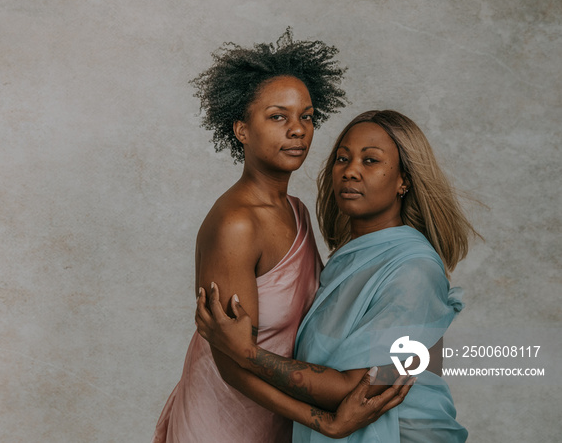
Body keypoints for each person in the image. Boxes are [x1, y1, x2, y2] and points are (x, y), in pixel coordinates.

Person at [153, 32, 414, 443]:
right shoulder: (236, 224)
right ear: (241, 129)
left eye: (306, 117)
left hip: (279, 415)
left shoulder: (297, 211)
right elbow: (229, 362)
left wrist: (404, 338)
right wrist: (323, 421)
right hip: (223, 418)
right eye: (278, 117)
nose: (297, 130)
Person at [196, 110, 477, 442]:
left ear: (404, 180)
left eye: (370, 160)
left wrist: (246, 352)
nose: (350, 171)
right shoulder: (350, 255)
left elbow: (358, 389)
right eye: (342, 158)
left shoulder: (415, 269)